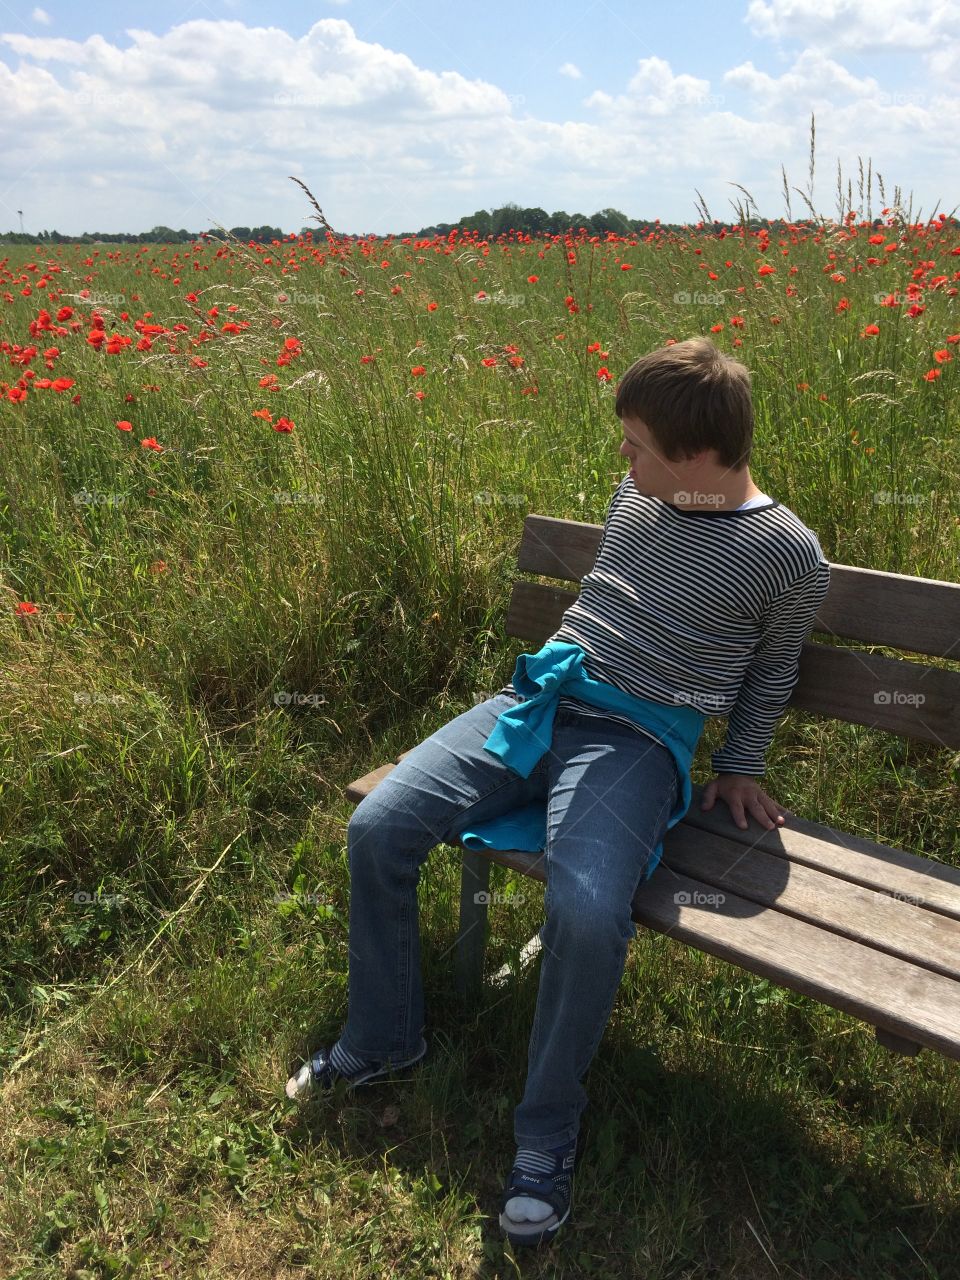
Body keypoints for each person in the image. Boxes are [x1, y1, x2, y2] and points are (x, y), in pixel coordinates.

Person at [285, 336, 831, 1249]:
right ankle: (385, 1037)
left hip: (638, 742)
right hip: (542, 698)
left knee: (583, 909)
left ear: (697, 454)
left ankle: (545, 1134)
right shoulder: (641, 493)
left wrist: (739, 765)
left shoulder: (785, 551)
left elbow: (773, 670)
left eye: (636, 443)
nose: (622, 458)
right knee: (379, 826)